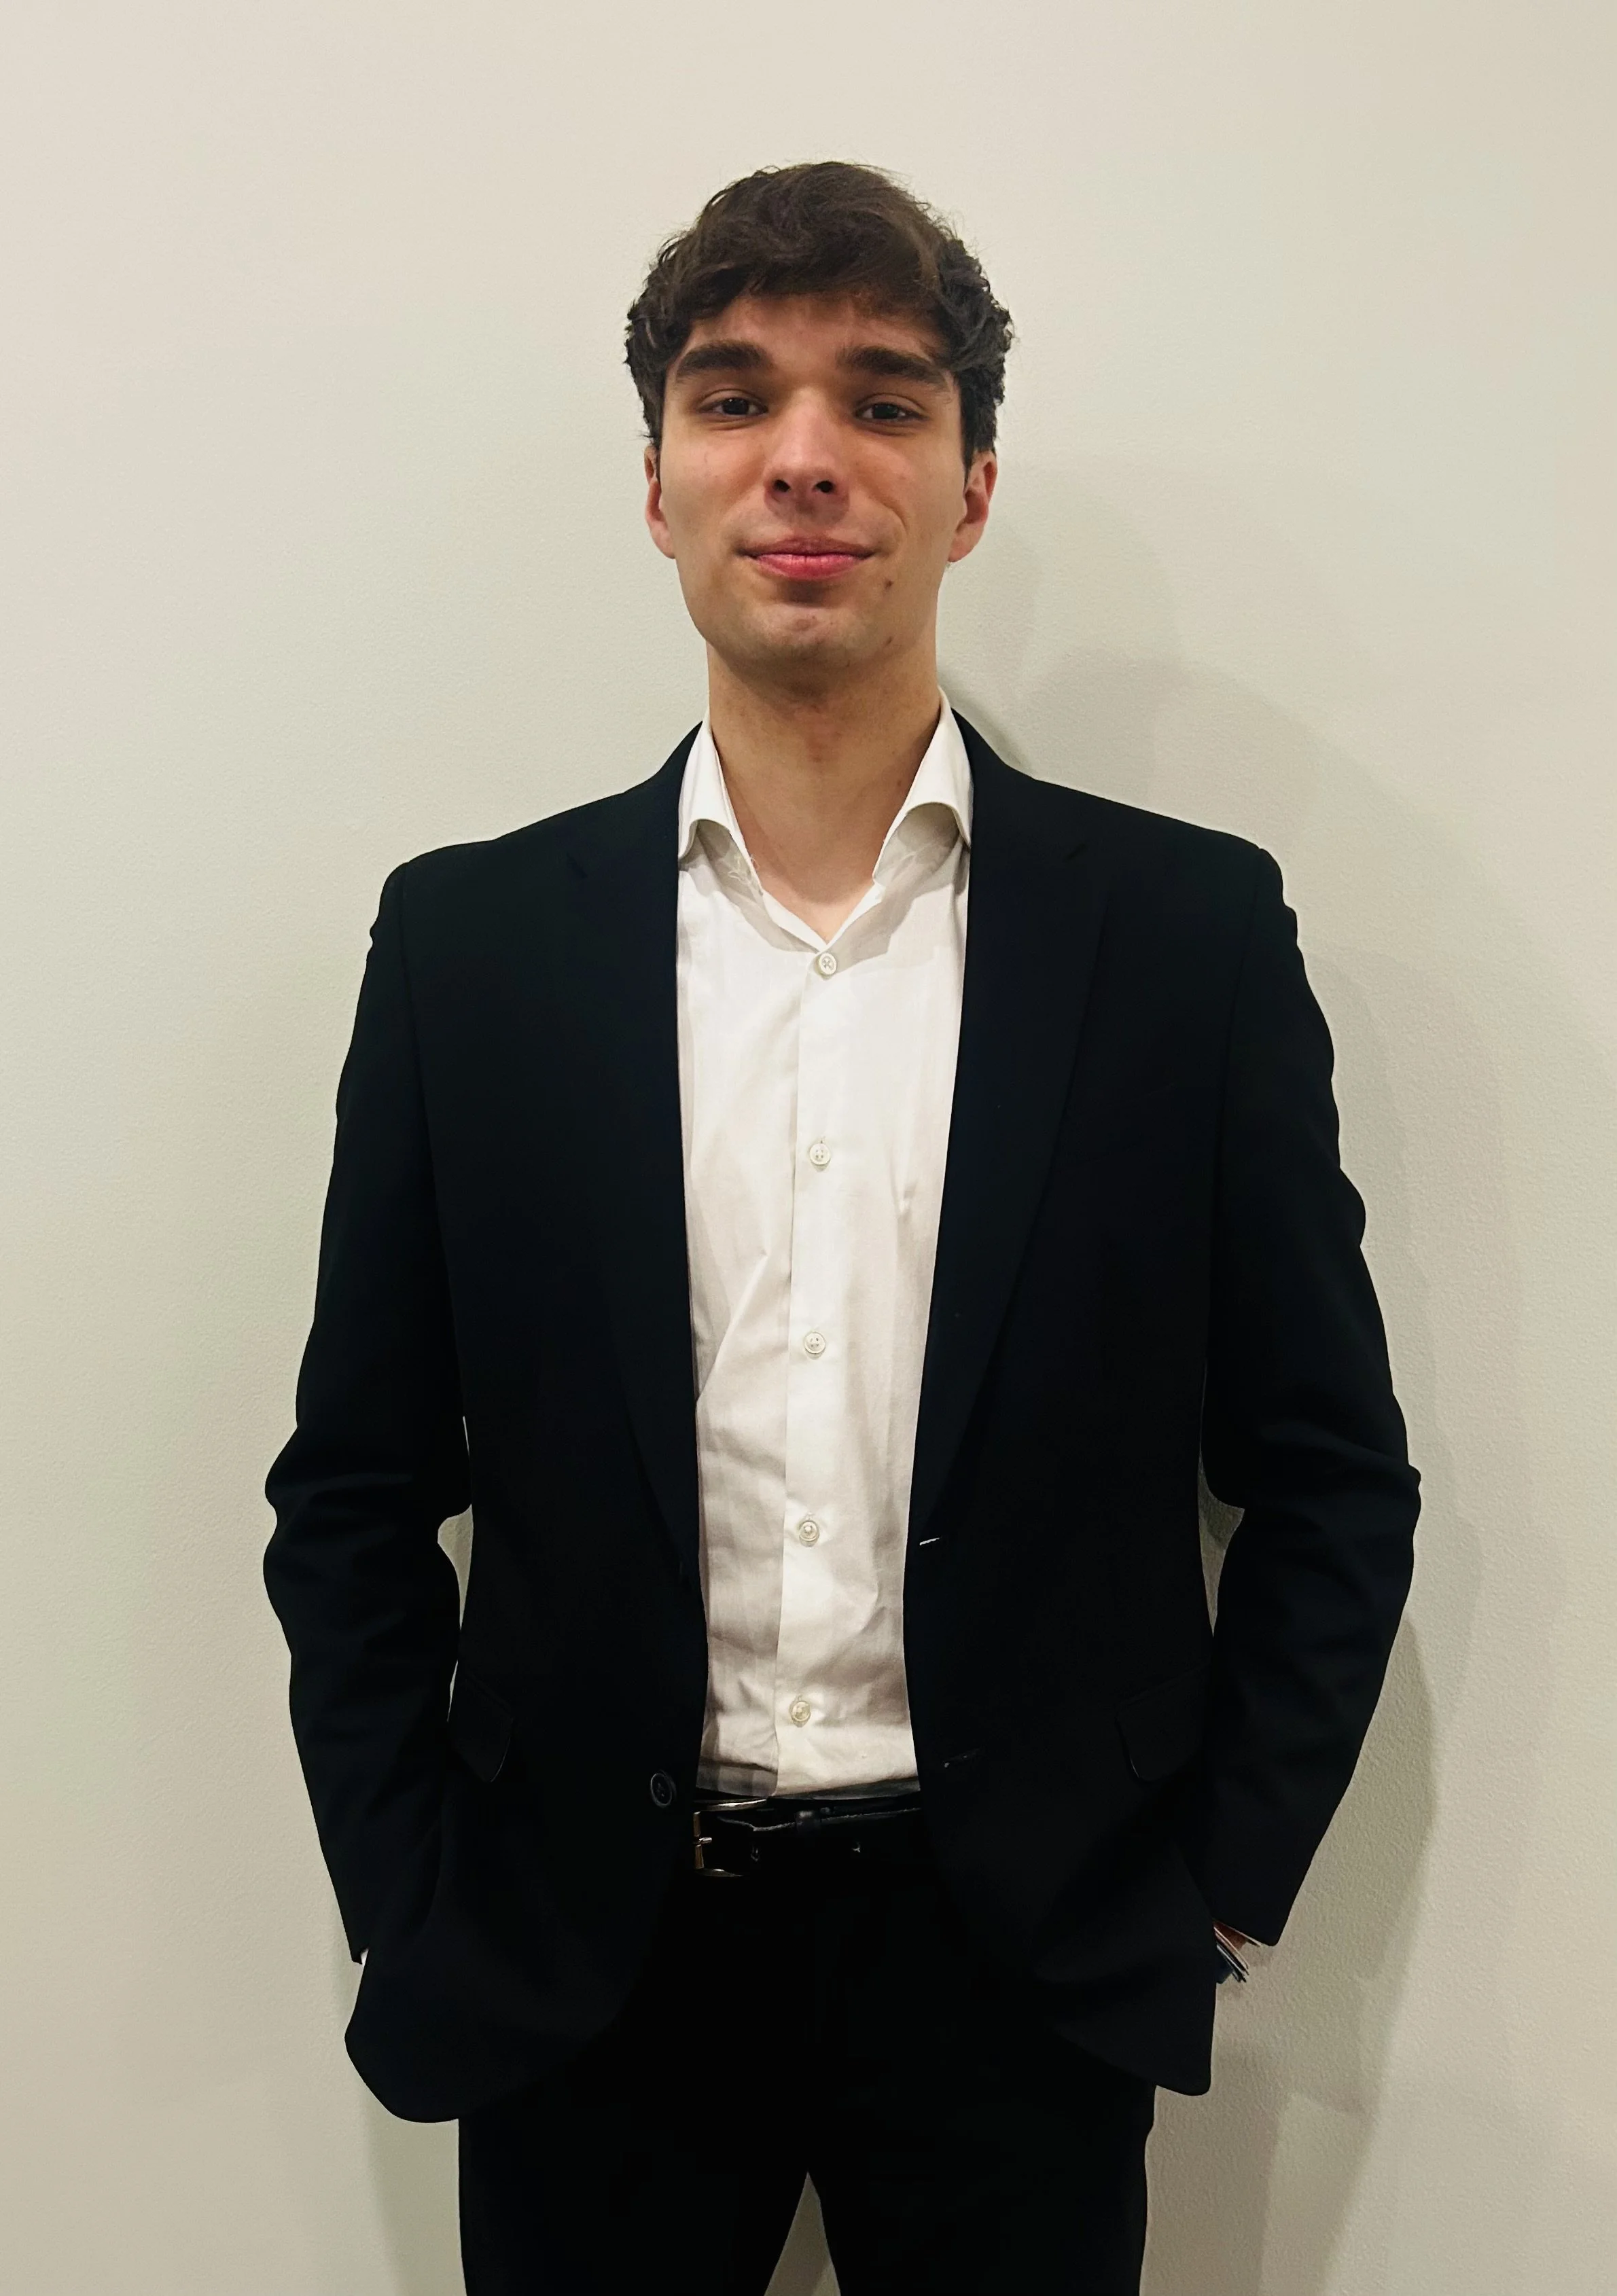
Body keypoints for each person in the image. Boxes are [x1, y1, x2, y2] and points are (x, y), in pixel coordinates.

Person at [263, 160, 1419, 2296]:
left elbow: (1329, 1474)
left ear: (969, 487)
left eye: (882, 401)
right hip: (581, 1959)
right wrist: (411, 1888)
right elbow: (351, 1491)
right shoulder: (470, 949)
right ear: (657, 484)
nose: (804, 456)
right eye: (734, 398)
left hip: (1017, 1962)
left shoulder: (1180, 939)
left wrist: (1214, 1893)